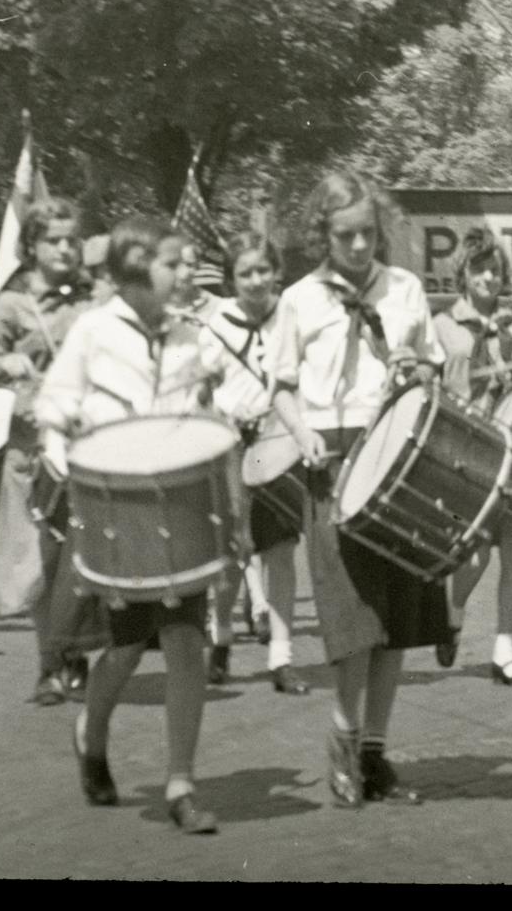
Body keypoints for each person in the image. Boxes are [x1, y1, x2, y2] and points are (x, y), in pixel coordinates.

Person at [36, 214, 226, 835]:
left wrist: (215, 400)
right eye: (174, 263)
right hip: (118, 517)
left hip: (179, 508)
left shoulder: (189, 336)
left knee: (185, 645)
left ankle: (181, 783)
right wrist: (75, 470)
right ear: (137, 271)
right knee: (120, 652)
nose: (185, 274)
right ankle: (91, 732)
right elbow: (54, 405)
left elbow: (209, 419)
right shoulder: (93, 330)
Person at [268, 169, 451, 809]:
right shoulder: (299, 300)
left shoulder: (404, 289)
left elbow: (434, 366)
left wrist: (418, 370)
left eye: (368, 234)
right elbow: (282, 386)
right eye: (345, 235)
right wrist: (300, 435)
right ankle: (342, 742)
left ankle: (375, 752)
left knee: (397, 616)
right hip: (332, 460)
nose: (358, 247)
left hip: (394, 454)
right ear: (324, 234)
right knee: (351, 618)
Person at [0, 198, 108, 705]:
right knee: (40, 566)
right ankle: (49, 663)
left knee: (84, 560)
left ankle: (78, 656)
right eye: (54, 240)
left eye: (72, 239)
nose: (66, 249)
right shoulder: (12, 305)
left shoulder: (98, 300)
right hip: (30, 454)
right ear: (31, 247)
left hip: (89, 449)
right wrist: (9, 363)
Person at [432, 228, 512, 688]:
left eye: (496, 269)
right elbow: (435, 389)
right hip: (465, 447)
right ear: (464, 273)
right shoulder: (442, 326)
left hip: (511, 445)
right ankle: (453, 616)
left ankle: (506, 652)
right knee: (472, 555)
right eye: (480, 269)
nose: (489, 277)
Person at [200, 232, 308, 696]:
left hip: (277, 439)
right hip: (231, 444)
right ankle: (221, 635)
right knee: (233, 551)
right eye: (245, 273)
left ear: (276, 272)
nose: (256, 280)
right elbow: (200, 389)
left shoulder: (292, 315)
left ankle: (281, 656)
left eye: (263, 270)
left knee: (280, 550)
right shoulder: (215, 324)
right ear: (231, 279)